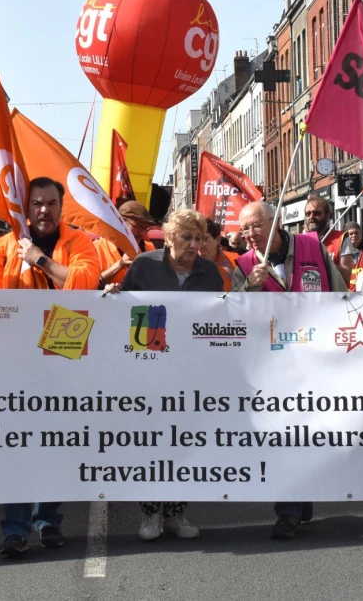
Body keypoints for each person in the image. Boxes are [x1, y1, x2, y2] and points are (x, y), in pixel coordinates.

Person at [0, 178, 99, 558]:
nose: (43, 210)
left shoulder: (80, 242)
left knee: (54, 443)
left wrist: (41, 260)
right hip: (15, 357)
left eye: (50, 203)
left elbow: (83, 285)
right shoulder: (4, 244)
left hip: (64, 344)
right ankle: (15, 528)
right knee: (16, 445)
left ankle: (47, 519)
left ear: (62, 208)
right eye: (36, 204)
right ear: (25, 208)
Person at [235, 200, 346, 540]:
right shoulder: (243, 264)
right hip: (274, 367)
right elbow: (234, 315)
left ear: (276, 220)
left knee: (311, 434)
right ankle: (288, 511)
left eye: (255, 225)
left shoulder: (314, 246)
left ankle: (301, 497)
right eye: (244, 229)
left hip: (317, 361)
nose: (249, 235)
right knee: (282, 436)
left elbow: (341, 294)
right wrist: (249, 287)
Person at [112, 209, 223, 542]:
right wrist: (110, 297)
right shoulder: (143, 266)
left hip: (190, 374)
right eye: (187, 238)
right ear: (170, 238)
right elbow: (120, 311)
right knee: (150, 442)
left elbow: (221, 315)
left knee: (182, 442)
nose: (194, 245)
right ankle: (149, 512)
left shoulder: (210, 273)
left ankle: (176, 510)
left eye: (199, 239)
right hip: (149, 370)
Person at [94, 200, 155, 288]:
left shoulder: (149, 248)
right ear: (120, 223)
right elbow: (90, 285)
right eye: (137, 226)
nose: (142, 233)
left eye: (145, 228)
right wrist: (120, 265)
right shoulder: (97, 248)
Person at [201, 219, 240, 290]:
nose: (201, 244)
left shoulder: (236, 261)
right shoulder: (186, 264)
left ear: (218, 240)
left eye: (205, 239)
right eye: (197, 239)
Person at [303, 194, 342, 259]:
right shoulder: (299, 241)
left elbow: (346, 268)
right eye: (308, 213)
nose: (311, 217)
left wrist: (322, 262)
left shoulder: (341, 238)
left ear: (327, 215)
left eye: (316, 213)